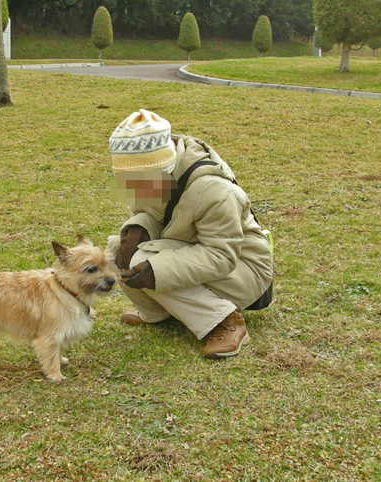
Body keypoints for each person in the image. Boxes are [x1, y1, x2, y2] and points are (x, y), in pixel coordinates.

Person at [107, 109, 273, 358]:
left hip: (244, 269)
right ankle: (160, 314)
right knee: (113, 253)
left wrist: (157, 270)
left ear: (161, 166)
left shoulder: (213, 189)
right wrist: (135, 232)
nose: (130, 184)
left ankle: (226, 321)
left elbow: (221, 255)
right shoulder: (152, 174)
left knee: (147, 263)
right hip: (189, 249)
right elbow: (152, 213)